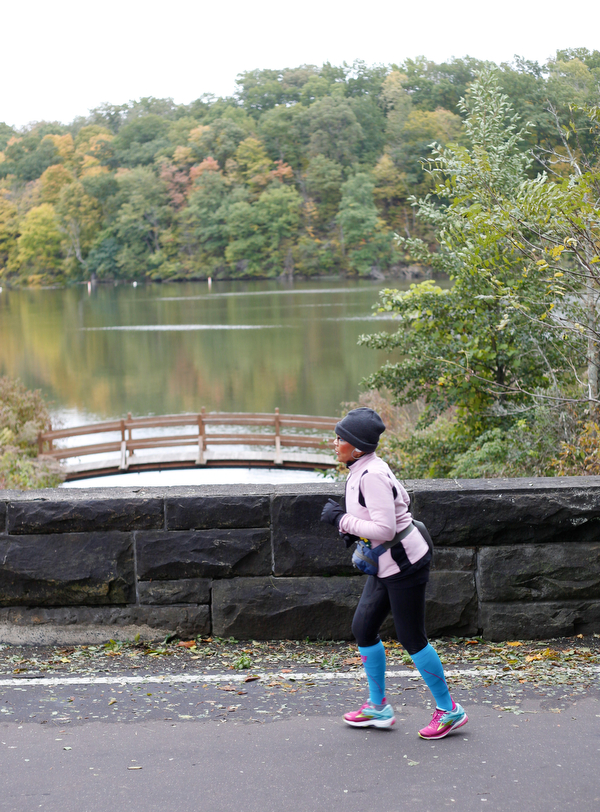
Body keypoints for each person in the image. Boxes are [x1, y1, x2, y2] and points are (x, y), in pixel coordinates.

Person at [320, 407, 468, 740]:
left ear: (357, 447)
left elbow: (385, 529)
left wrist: (340, 520)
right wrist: (354, 530)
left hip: (404, 564)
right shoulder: (363, 467)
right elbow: (385, 514)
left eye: (340, 438)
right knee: (363, 627)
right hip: (386, 563)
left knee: (412, 637)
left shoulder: (371, 474)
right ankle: (378, 706)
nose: (335, 443)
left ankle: (449, 711)